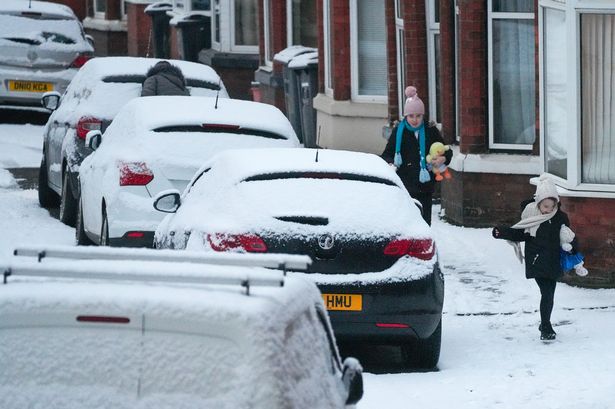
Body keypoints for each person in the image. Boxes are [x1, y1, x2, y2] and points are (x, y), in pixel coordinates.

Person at [492, 175, 581, 341]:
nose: (547, 209)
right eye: (545, 206)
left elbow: (567, 236)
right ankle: (546, 327)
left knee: (549, 295)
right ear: (538, 202)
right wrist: (501, 232)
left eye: (551, 206)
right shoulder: (531, 217)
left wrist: (573, 247)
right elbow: (520, 232)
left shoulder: (560, 218)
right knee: (546, 293)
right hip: (537, 261)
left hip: (554, 262)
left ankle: (545, 323)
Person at [381, 86, 452, 225]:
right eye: (411, 116)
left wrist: (443, 158)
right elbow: (386, 154)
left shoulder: (430, 130)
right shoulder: (399, 131)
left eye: (418, 116)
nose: (415, 120)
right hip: (404, 185)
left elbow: (446, 150)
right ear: (405, 116)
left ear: (423, 116)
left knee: (424, 223)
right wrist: (390, 163)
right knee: (406, 223)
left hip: (425, 186)